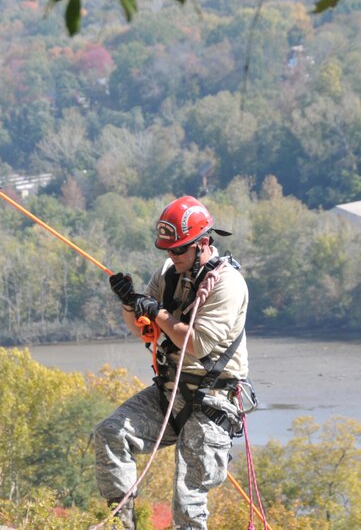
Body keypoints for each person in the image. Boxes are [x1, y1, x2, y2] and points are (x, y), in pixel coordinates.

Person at [95, 195, 250, 530]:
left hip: (211, 400)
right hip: (170, 391)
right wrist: (128, 303)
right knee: (110, 433)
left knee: (187, 500)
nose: (172, 255)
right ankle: (121, 523)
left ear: (203, 244)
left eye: (179, 249)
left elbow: (197, 344)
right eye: (168, 249)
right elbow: (148, 334)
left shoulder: (228, 285)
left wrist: (160, 313)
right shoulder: (168, 275)